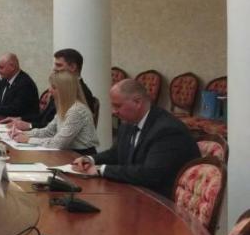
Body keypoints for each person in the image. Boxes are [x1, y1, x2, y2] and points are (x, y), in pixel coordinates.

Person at [70, 79, 200, 197]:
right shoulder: (128, 123)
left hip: (162, 200)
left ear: (137, 102)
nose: (113, 111)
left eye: (118, 106)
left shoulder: (167, 130)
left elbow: (149, 174)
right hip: (136, 191)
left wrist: (101, 170)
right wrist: (90, 160)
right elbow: (116, 154)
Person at [1, 48, 97, 130]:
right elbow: (44, 117)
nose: (54, 69)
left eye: (59, 65)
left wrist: (29, 126)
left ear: (72, 67)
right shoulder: (60, 88)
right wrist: (20, 119)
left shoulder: (82, 93)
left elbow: (58, 128)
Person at [8, 71, 99, 153]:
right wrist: (23, 134)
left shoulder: (77, 110)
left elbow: (59, 143)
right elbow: (49, 131)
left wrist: (28, 140)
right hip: (68, 153)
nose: (49, 90)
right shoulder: (65, 107)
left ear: (65, 90)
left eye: (54, 87)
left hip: (80, 156)